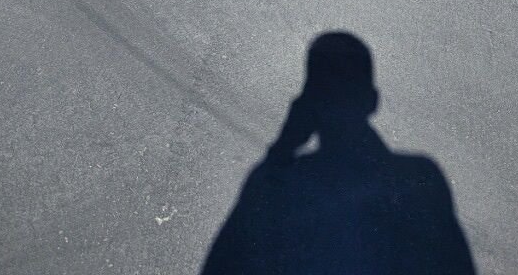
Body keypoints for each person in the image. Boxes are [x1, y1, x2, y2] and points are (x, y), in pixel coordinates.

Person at [201, 32, 476, 275]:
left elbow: (224, 265)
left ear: (307, 107)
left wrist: (281, 150)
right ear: (371, 100)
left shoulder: (282, 184)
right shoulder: (417, 178)